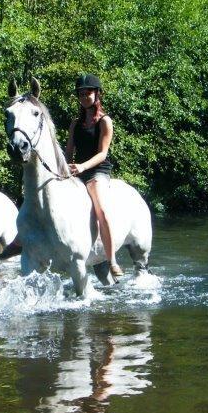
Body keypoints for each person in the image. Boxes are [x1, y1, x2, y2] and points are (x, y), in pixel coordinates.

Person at [66, 73, 121, 277]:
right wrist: (65, 168)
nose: (84, 96)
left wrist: (82, 167)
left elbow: (102, 153)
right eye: (81, 93)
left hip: (98, 171)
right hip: (77, 171)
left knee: (102, 210)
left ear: (97, 94)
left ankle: (112, 259)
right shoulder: (75, 123)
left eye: (88, 92)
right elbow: (68, 151)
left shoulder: (105, 121)